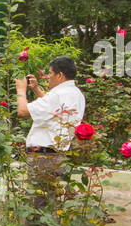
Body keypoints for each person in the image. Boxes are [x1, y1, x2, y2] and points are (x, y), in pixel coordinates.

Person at [15, 54, 86, 204]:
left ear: (60, 75)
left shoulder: (58, 95)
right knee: (47, 202)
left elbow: (23, 111)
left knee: (36, 205)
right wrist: (35, 89)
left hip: (43, 158)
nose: (47, 77)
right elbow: (51, 109)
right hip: (57, 155)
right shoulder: (75, 94)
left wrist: (21, 90)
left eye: (50, 73)